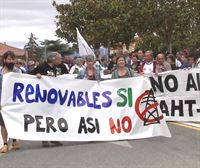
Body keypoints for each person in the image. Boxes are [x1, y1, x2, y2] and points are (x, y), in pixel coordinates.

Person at [30, 52, 66, 147]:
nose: (60, 60)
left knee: (53, 116)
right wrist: (36, 75)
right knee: (44, 117)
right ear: (53, 59)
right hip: (43, 97)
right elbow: (28, 76)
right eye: (59, 58)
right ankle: (44, 138)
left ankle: (54, 137)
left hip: (53, 98)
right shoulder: (41, 67)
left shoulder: (55, 69)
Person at [0, 51, 21, 153]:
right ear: (4, 60)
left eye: (13, 59)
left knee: (15, 120)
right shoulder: (0, 72)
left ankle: (14, 140)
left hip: (15, 101)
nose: (11, 61)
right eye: (9, 59)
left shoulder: (18, 72)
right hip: (2, 102)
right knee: (3, 124)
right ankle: (5, 144)